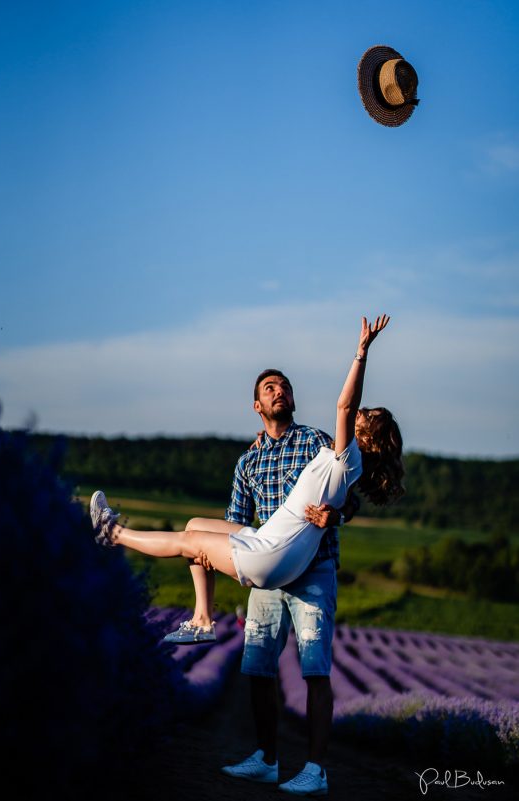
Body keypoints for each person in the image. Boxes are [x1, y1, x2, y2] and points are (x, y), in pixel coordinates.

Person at [90, 314, 404, 796]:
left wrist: (361, 352)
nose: (280, 391)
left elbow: (346, 485)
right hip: (266, 545)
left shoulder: (323, 442)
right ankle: (204, 626)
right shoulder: (249, 460)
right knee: (201, 538)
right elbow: (238, 515)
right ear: (257, 405)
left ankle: (113, 534)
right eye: (270, 388)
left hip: (303, 565)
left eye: (285, 386)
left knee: (312, 667)